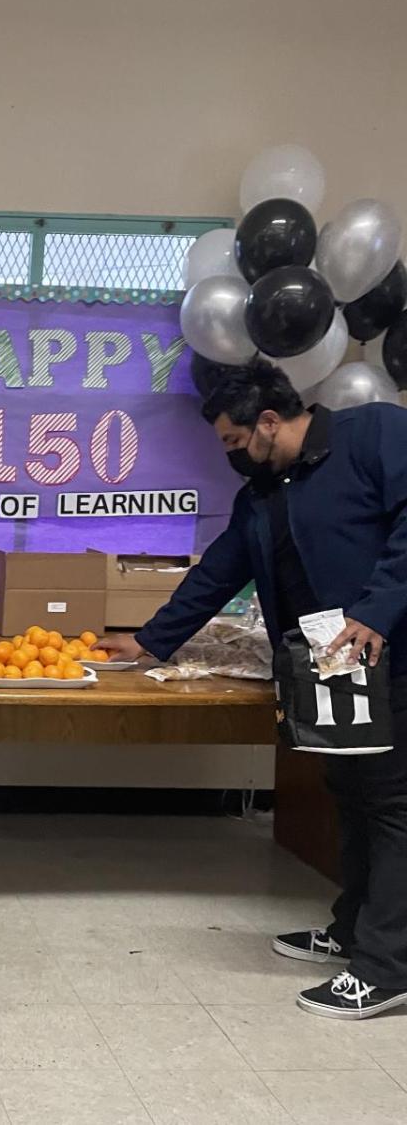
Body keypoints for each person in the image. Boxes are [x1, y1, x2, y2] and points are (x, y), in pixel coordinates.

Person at [99, 359, 407, 1021]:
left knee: (391, 808)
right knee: (350, 796)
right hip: (326, 661)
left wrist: (379, 609)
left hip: (388, 655)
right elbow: (216, 573)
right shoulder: (263, 496)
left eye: (235, 442)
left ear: (268, 422)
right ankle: (352, 929)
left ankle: (387, 967)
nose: (233, 455)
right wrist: (150, 640)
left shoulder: (374, 434)